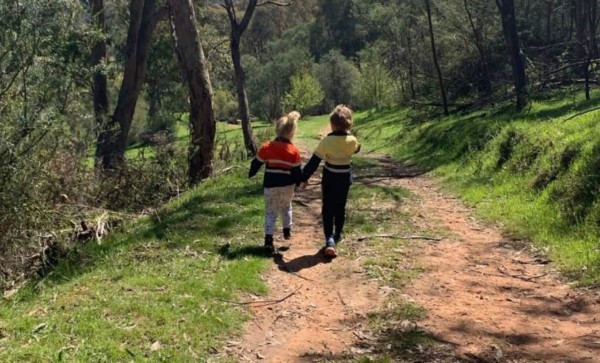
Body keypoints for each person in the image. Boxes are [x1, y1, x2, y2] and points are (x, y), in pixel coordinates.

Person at [300, 105, 360, 258]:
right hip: (345, 179)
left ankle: (329, 239)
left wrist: (303, 178)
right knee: (340, 207)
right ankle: (338, 233)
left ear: (332, 125)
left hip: (329, 179)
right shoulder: (352, 140)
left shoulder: (326, 141)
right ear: (349, 124)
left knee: (328, 208)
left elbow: (314, 162)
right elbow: (357, 148)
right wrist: (348, 134)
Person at [249, 111, 302, 253]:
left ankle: (268, 239)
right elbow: (297, 172)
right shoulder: (294, 151)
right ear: (292, 132)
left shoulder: (267, 147)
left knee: (270, 212)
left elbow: (256, 162)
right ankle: (286, 230)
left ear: (277, 130)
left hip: (270, 185)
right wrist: (299, 182)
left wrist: (251, 173)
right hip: (287, 186)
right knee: (286, 207)